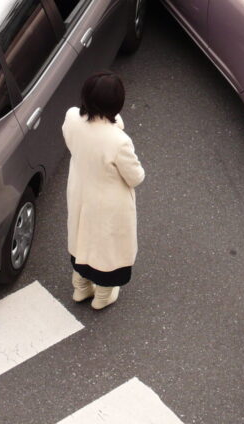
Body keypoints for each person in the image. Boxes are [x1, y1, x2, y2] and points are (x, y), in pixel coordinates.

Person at [62, 72, 145, 310]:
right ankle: (102, 297)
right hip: (108, 204)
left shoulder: (71, 118)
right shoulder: (119, 141)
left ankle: (81, 288)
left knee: (81, 239)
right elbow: (136, 177)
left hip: (80, 192)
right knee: (107, 249)